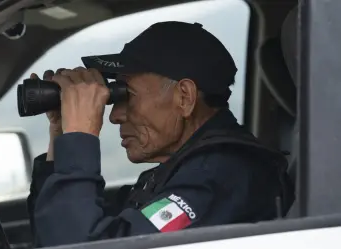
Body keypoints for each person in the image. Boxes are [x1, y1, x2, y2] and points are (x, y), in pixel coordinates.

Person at [27, 21, 295, 247]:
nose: (114, 115)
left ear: (184, 97)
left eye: (126, 95)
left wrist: (80, 138)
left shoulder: (222, 178)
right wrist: (61, 134)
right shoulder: (179, 174)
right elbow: (58, 232)